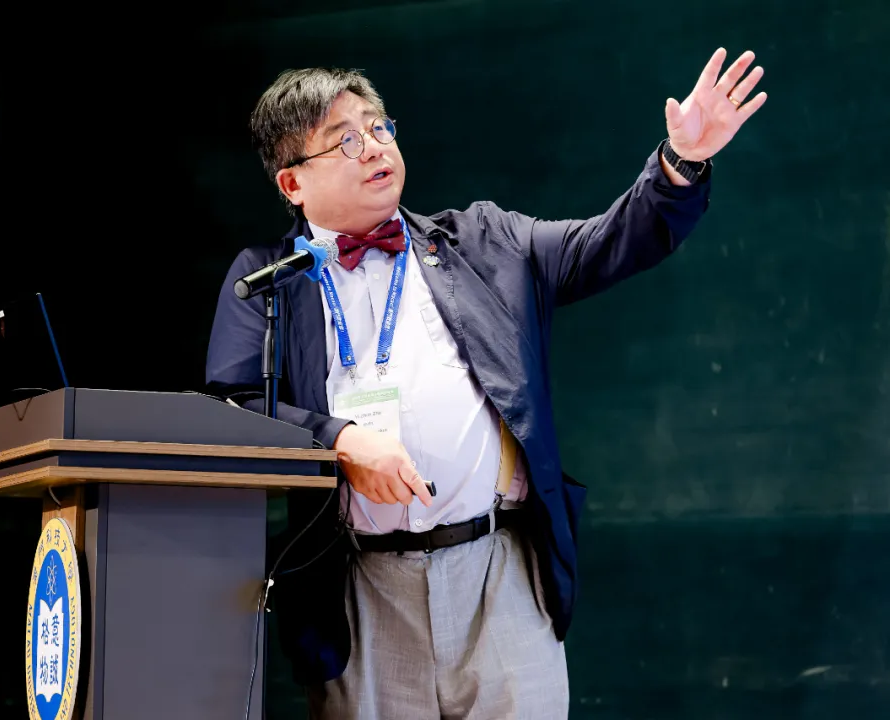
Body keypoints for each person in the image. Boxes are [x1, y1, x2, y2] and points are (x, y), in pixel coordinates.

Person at [206, 48, 766, 719]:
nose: (374, 147)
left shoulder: (482, 241)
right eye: (345, 140)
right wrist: (340, 441)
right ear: (293, 183)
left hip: (498, 572)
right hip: (360, 588)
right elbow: (233, 409)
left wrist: (679, 162)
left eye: (379, 127)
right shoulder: (266, 281)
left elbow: (611, 242)